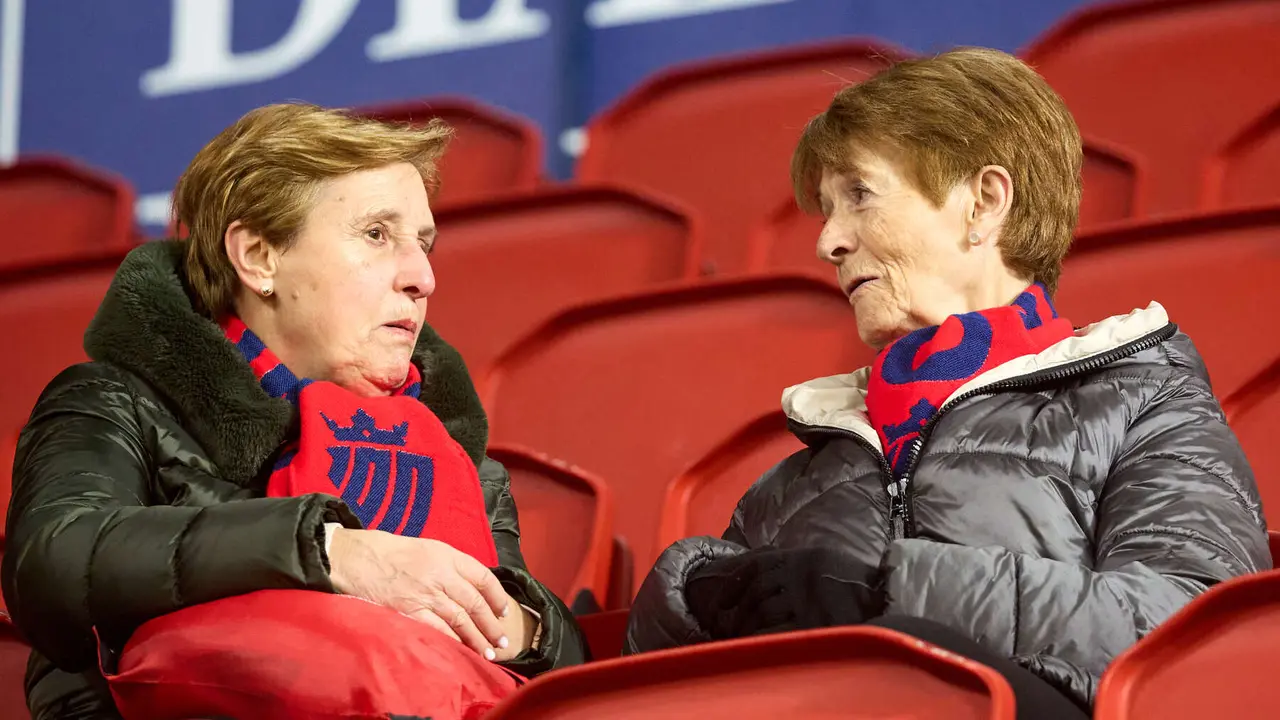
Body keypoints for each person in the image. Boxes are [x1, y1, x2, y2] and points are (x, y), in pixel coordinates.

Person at [624, 48, 1270, 718]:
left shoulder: (1145, 400)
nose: (828, 243)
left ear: (984, 202)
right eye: (824, 209)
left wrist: (891, 594)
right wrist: (694, 593)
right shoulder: (793, 482)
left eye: (859, 196)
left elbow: (1193, 637)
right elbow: (652, 687)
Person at [2, 103, 586, 719]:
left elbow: (564, 662)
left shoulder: (453, 456)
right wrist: (331, 553)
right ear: (258, 257)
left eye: (424, 244)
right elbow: (53, 560)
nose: (422, 276)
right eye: (377, 235)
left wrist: (515, 626)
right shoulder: (115, 401)